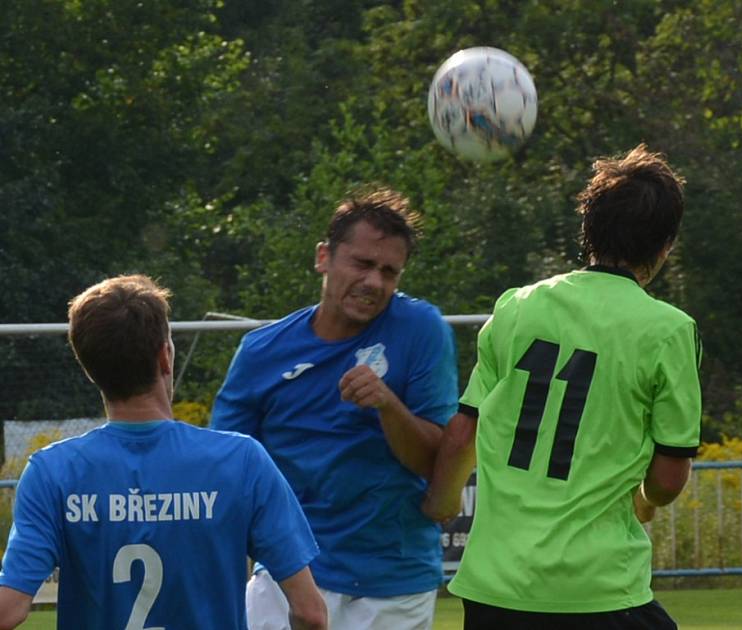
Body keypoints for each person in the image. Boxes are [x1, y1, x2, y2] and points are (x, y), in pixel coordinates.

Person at [422, 144, 702, 629]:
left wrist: (441, 502)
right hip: (598, 590)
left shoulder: (516, 307)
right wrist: (645, 496)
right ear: (666, 246)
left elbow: (463, 434)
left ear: (586, 229)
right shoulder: (669, 331)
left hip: (495, 588)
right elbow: (668, 480)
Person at [0, 275, 327, 630]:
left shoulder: (52, 472)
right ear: (165, 356)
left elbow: (9, 609)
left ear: (89, 370)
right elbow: (310, 613)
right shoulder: (241, 460)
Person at [211, 187, 459, 630]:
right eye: (362, 264)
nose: (375, 283)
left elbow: (434, 464)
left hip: (393, 579)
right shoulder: (261, 352)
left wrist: (387, 405)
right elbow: (228, 471)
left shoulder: (422, 329)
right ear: (323, 257)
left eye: (389, 272)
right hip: (289, 575)